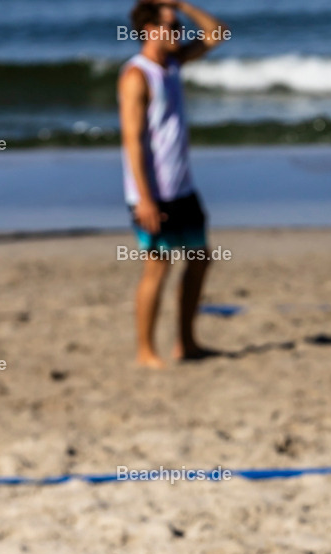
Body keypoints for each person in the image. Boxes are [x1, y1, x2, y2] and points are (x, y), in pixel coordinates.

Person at [118, 0, 228, 368]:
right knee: (158, 266)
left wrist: (180, 4)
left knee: (200, 260)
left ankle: (187, 342)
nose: (178, 32)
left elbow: (218, 32)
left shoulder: (174, 62)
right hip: (153, 193)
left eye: (178, 26)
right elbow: (132, 141)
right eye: (171, 26)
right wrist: (145, 198)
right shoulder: (136, 75)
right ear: (149, 30)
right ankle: (144, 350)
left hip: (183, 187)